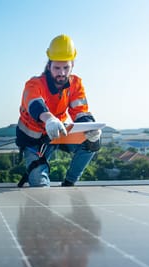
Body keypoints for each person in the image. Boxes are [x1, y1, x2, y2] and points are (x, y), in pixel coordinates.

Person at [16, 34, 101, 187]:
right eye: (57, 68)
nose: (61, 73)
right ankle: (35, 167)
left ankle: (69, 184)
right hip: (33, 141)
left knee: (92, 142)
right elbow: (35, 104)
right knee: (40, 185)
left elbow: (80, 111)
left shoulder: (75, 84)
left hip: (57, 134)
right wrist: (49, 119)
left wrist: (90, 128)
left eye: (66, 67)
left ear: (72, 65)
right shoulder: (34, 84)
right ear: (49, 66)